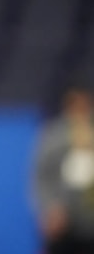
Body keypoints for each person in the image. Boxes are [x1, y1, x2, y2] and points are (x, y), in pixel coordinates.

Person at [32, 84, 94, 254]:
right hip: (63, 219)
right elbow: (41, 176)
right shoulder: (54, 135)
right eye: (75, 103)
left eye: (84, 103)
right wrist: (49, 208)